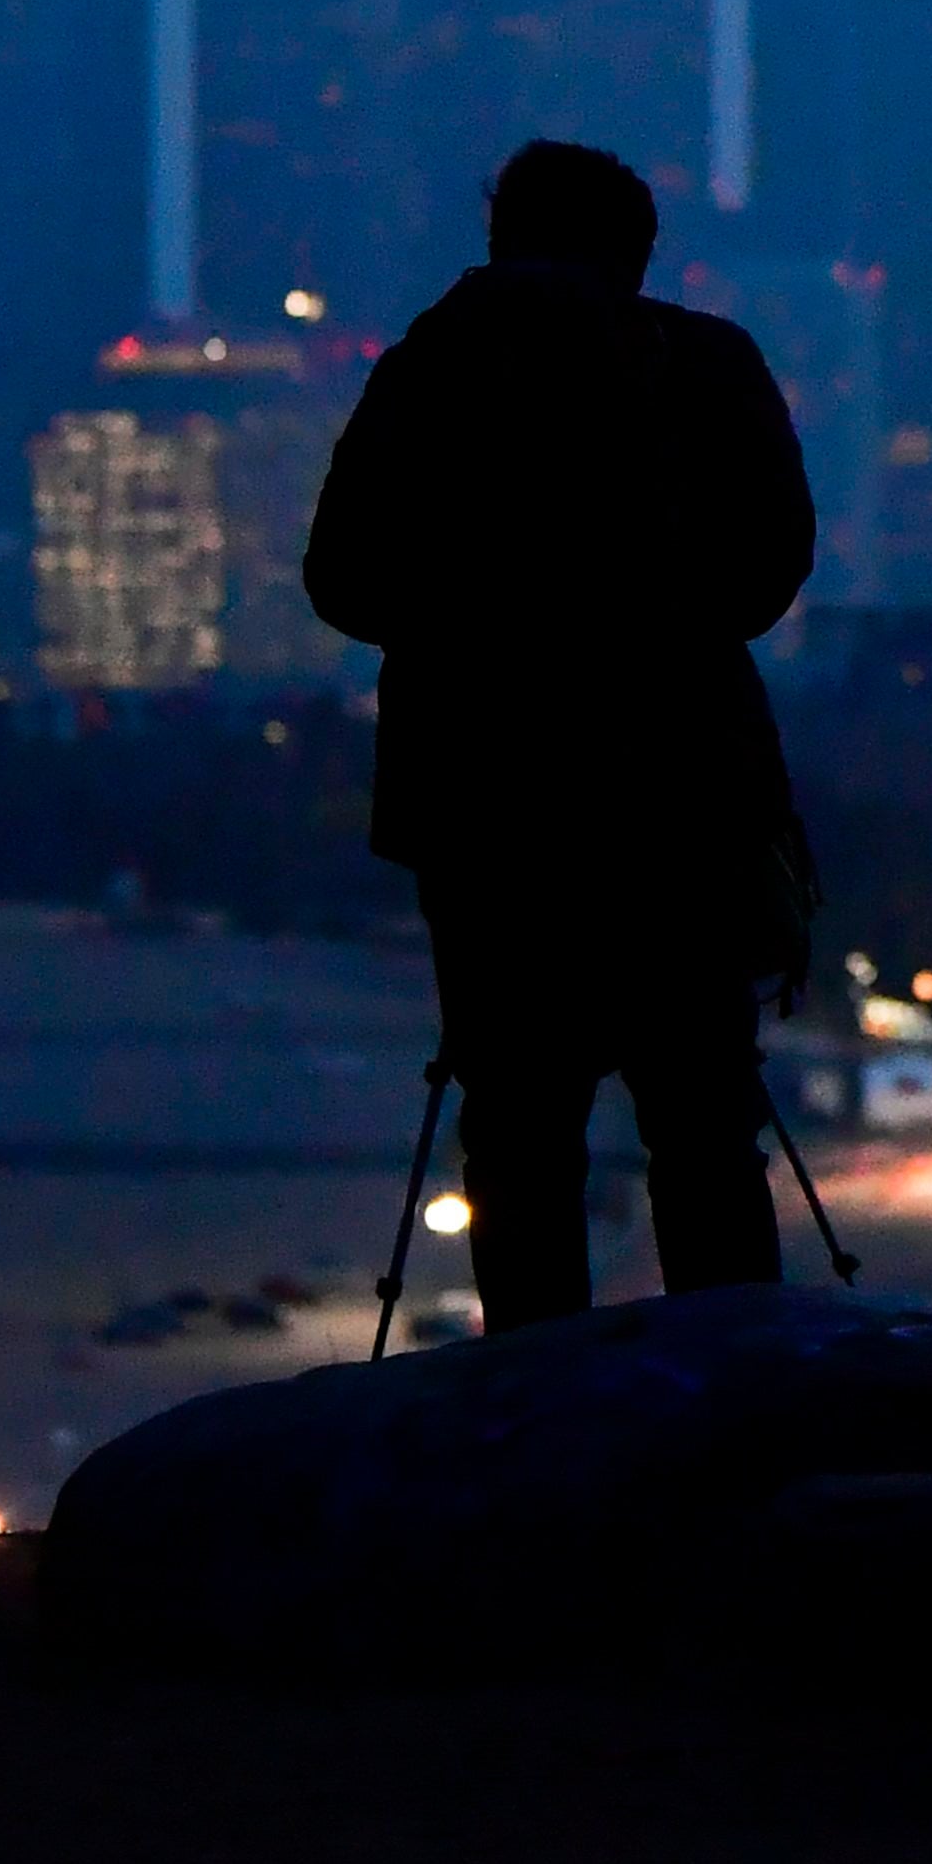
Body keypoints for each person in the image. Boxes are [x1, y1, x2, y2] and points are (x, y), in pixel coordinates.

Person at [302, 142, 818, 1329]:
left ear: (502, 242)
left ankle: (537, 1397)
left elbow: (342, 576)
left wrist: (475, 639)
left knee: (521, 1129)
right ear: (634, 249)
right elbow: (772, 558)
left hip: (488, 812)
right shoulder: (705, 365)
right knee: (702, 1116)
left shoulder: (430, 369)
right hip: (682, 801)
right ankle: (740, 1383)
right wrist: (662, 633)